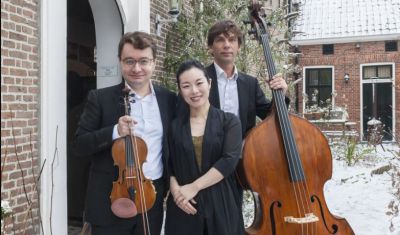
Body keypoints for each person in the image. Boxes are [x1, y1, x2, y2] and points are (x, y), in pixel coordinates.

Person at [73, 31, 177, 235]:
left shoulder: (169, 99)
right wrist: (114, 131)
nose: (136, 68)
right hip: (110, 200)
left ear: (154, 63)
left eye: (143, 61)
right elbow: (79, 145)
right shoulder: (100, 98)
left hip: (151, 199)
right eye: (129, 61)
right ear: (120, 62)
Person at [165, 60, 245, 235]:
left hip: (221, 202)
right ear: (180, 90)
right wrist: (176, 192)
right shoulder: (174, 126)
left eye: (199, 83)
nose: (194, 91)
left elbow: (228, 161)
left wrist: (194, 187)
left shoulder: (229, 122)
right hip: (184, 205)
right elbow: (168, 163)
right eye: (186, 86)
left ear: (209, 83)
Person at [206, 19, 288, 137]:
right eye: (220, 40)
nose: (227, 45)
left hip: (243, 153)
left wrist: (281, 94)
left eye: (232, 40)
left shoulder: (250, 84)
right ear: (211, 46)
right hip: (208, 154)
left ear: (238, 47)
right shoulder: (200, 79)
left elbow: (270, 117)